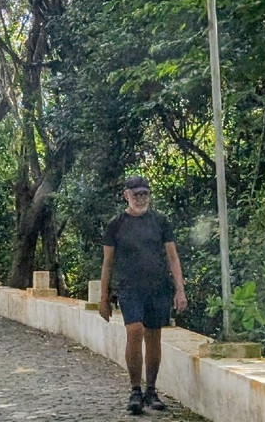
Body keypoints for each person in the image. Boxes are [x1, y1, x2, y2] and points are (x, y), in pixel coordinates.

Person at [99, 175, 187, 415]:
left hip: (158, 287)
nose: (140, 198)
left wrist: (180, 289)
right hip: (129, 287)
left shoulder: (160, 221)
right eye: (135, 194)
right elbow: (107, 263)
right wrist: (103, 297)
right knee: (134, 330)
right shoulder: (116, 224)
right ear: (126, 195)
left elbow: (172, 257)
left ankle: (151, 390)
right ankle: (135, 389)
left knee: (154, 336)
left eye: (144, 194)